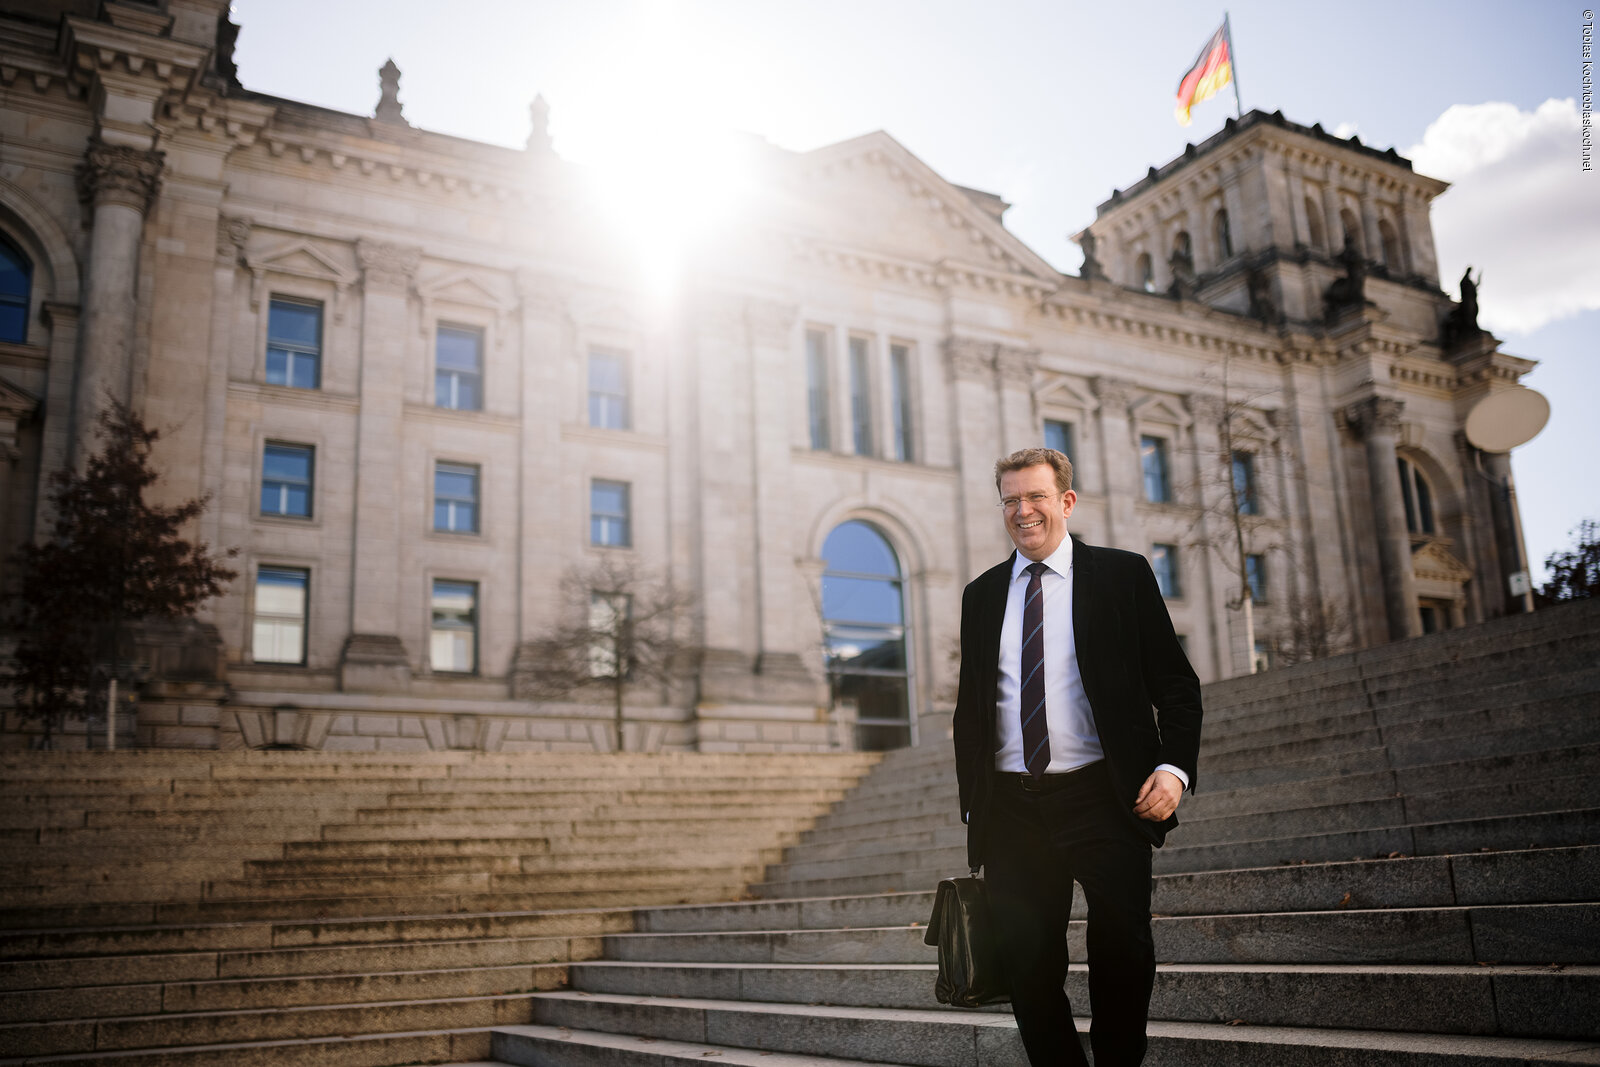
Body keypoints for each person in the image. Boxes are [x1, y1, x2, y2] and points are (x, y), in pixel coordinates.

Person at [952, 447, 1202, 1067]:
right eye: (1011, 500)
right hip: (1011, 808)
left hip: (1103, 796)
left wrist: (1173, 768)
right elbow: (972, 708)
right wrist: (974, 806)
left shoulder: (1122, 575)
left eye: (1036, 496)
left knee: (1122, 950)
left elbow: (1175, 683)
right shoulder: (981, 594)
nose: (1023, 511)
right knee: (1028, 966)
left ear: (1065, 501)